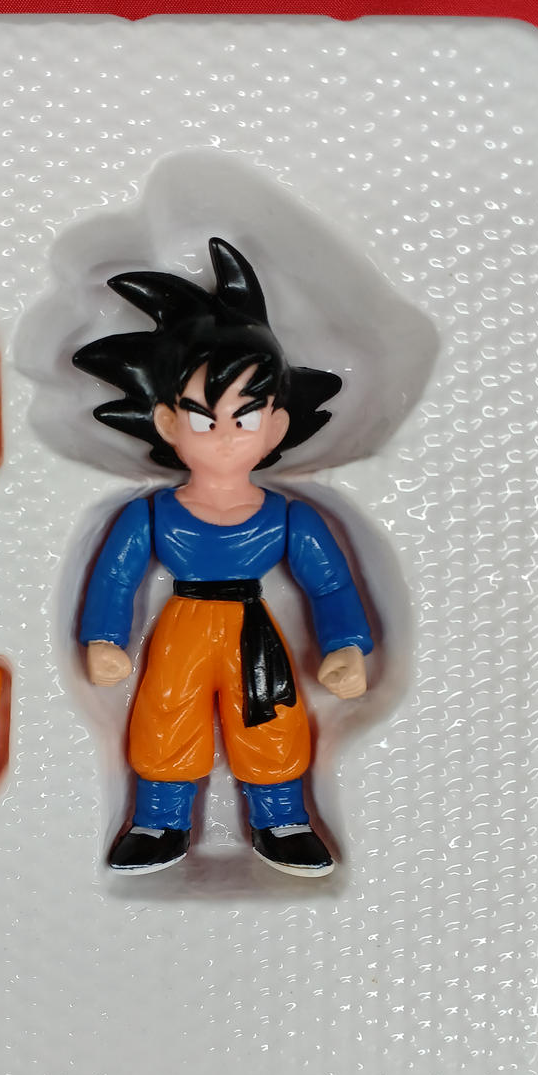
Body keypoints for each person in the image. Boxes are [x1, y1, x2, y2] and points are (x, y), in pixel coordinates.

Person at [75, 238, 372, 876]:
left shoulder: (289, 518)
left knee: (270, 720)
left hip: (252, 634)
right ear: (166, 423)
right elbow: (116, 580)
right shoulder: (151, 515)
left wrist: (345, 644)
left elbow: (330, 586)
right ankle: (159, 817)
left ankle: (282, 815)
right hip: (182, 628)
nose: (227, 435)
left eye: (247, 417)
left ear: (277, 427)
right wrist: (105, 638)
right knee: (165, 714)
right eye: (204, 418)